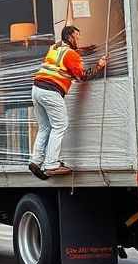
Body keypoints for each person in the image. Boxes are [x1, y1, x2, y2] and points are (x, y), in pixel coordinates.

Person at [29, 25, 108, 179]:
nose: (79, 38)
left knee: (45, 127)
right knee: (60, 125)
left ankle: (36, 161)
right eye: (77, 36)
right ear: (71, 36)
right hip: (51, 91)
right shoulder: (71, 55)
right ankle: (51, 164)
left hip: (37, 89)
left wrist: (86, 50)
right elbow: (83, 76)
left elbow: (70, 54)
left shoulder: (56, 46)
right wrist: (99, 65)